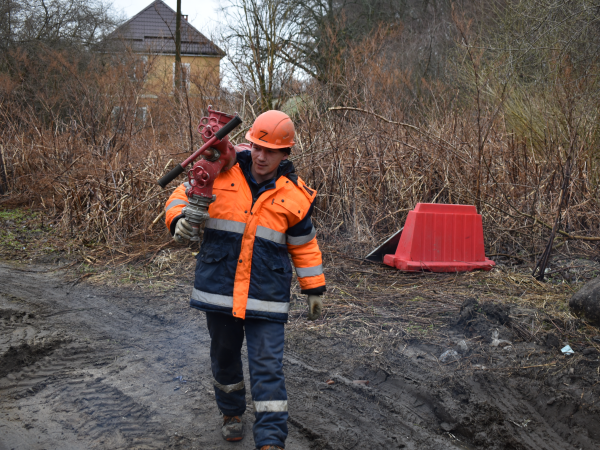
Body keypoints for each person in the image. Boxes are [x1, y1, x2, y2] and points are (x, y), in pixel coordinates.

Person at [164, 110, 326, 450]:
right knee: (224, 357)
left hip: (266, 296)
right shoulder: (219, 172)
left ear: (286, 154)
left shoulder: (296, 196)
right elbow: (180, 195)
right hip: (219, 291)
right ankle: (231, 413)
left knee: (268, 367)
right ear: (249, 143)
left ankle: (270, 441)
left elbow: (304, 245)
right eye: (256, 147)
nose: (262, 156)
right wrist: (178, 218)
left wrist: (313, 288)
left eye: (271, 151)